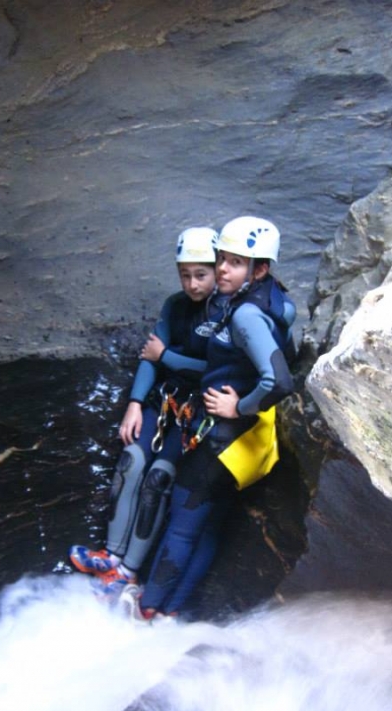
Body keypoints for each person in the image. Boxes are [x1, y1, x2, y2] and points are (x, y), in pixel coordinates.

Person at [121, 215, 296, 621]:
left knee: (182, 526)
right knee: (208, 526)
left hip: (226, 438)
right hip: (250, 442)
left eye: (235, 263)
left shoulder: (246, 315)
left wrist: (240, 405)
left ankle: (147, 610)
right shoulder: (275, 300)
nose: (221, 269)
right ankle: (170, 614)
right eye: (222, 259)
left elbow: (280, 381)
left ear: (261, 268)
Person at [69, 227, 223, 588]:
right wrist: (134, 404)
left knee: (159, 478)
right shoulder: (175, 306)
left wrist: (168, 356)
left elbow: (212, 370)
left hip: (197, 411)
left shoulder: (227, 315)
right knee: (132, 462)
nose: (192, 284)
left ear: (217, 271)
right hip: (164, 399)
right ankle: (110, 554)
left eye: (201, 275)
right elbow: (149, 357)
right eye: (185, 275)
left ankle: (128, 571)